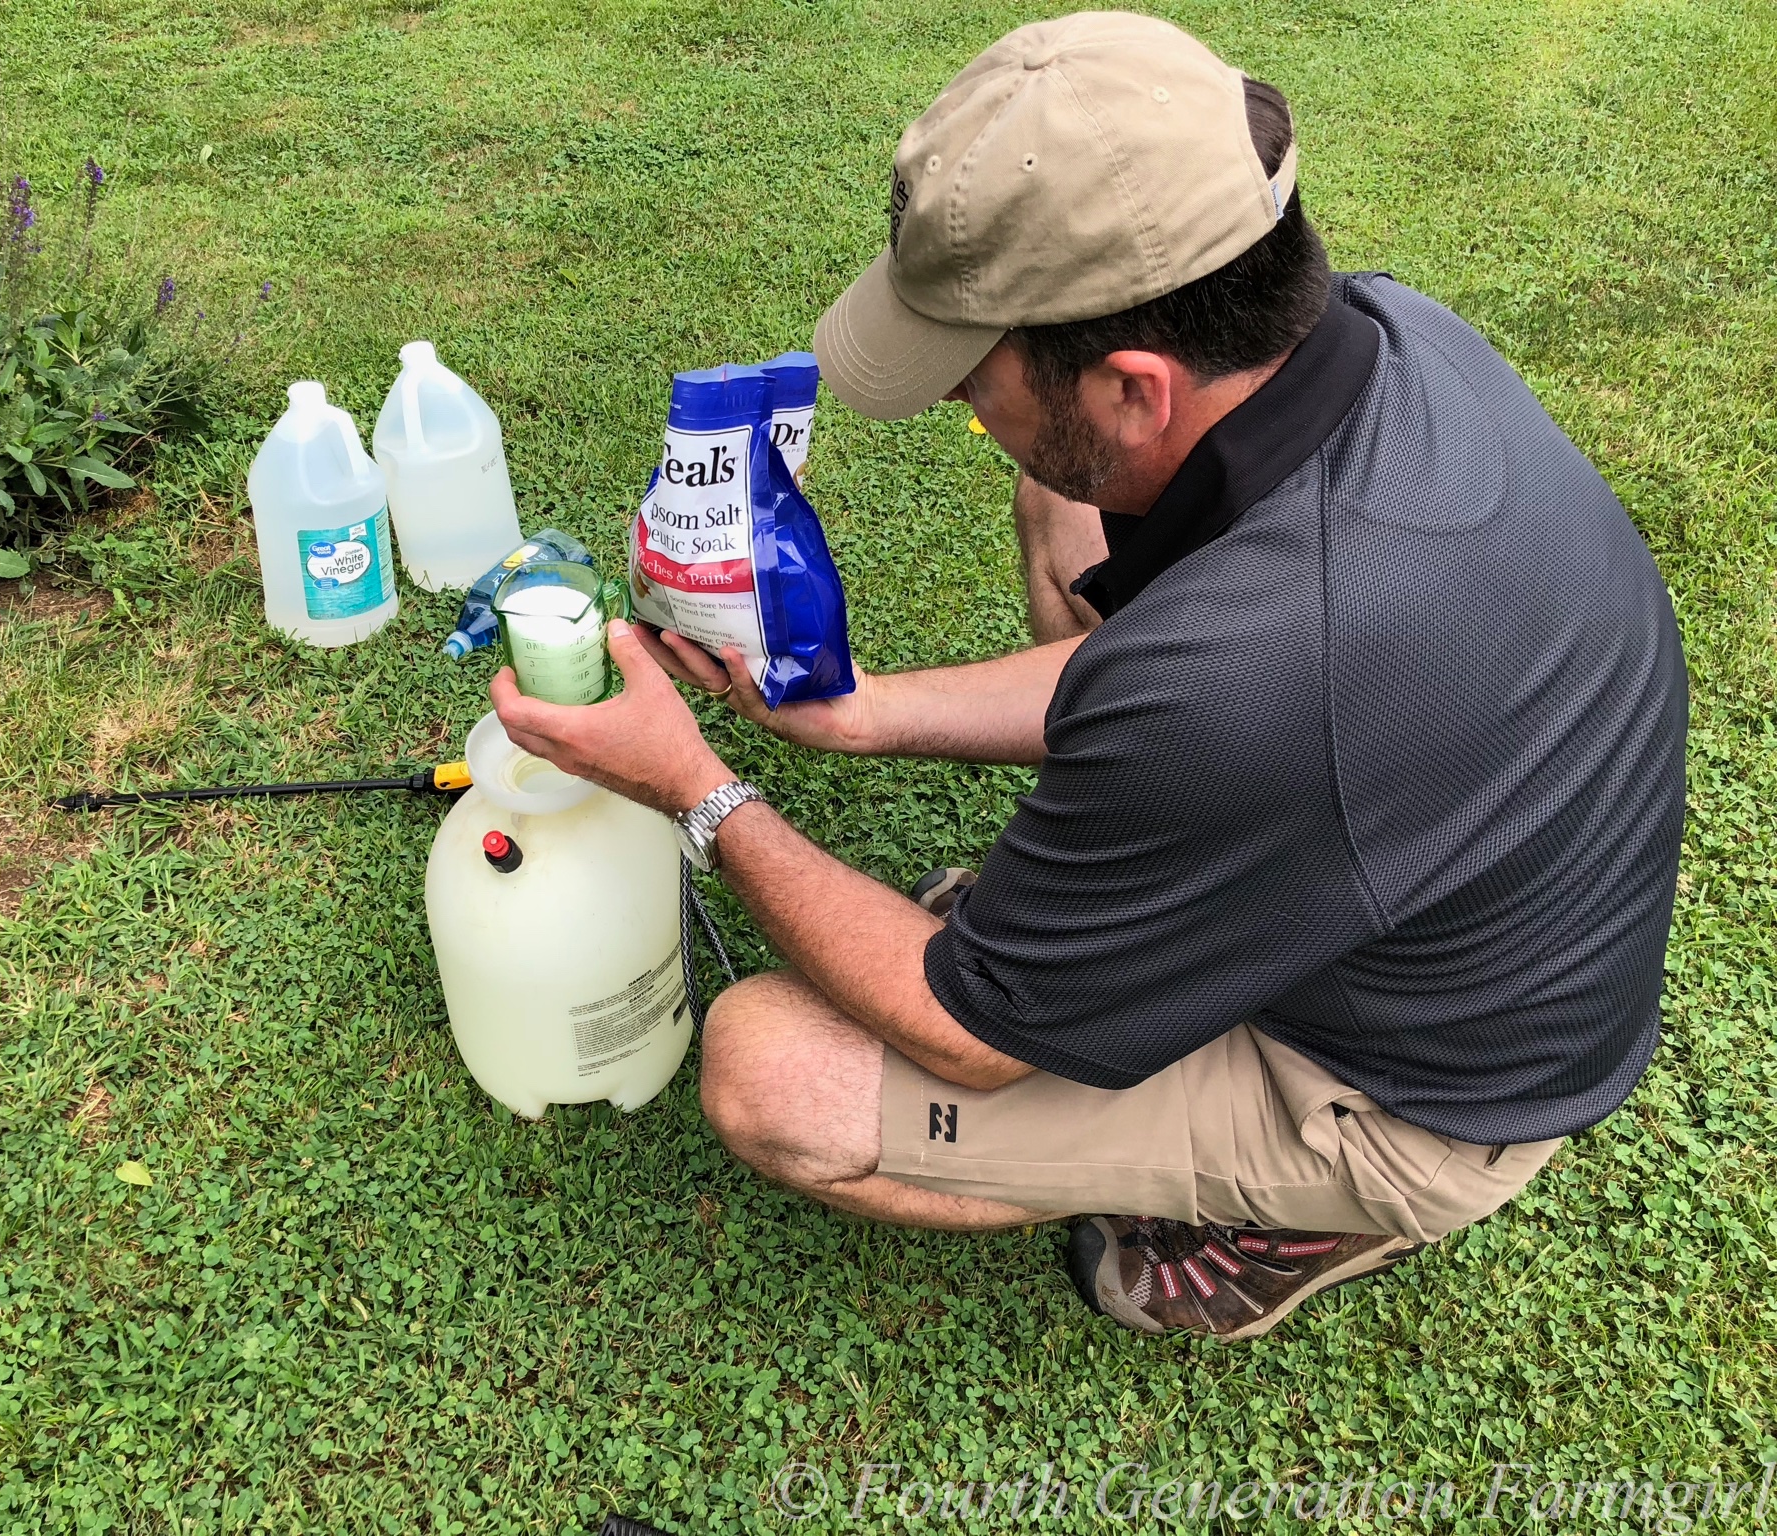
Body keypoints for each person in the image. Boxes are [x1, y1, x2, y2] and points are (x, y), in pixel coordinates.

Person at [490, 10, 1687, 1339]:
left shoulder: (1259, 676)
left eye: (971, 376)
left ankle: (1318, 1213)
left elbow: (968, 1035)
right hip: (1387, 877)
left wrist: (697, 790)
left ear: (1134, 386)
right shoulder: (1394, 339)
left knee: (770, 1069)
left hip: (1408, 1096)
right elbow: (1185, 681)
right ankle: (1130, 956)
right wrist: (864, 715)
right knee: (1063, 500)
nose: (960, 406)